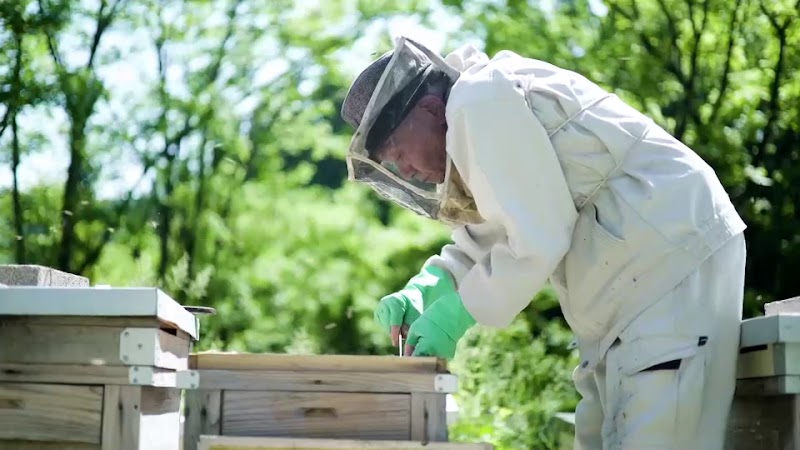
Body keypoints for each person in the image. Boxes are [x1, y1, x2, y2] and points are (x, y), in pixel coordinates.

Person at [339, 35, 747, 450]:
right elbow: (504, 224)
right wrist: (434, 284)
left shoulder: (479, 102)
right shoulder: (480, 108)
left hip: (669, 262)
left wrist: (456, 315)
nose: (405, 171)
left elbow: (538, 236)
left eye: (399, 152)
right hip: (632, 290)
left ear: (428, 110)